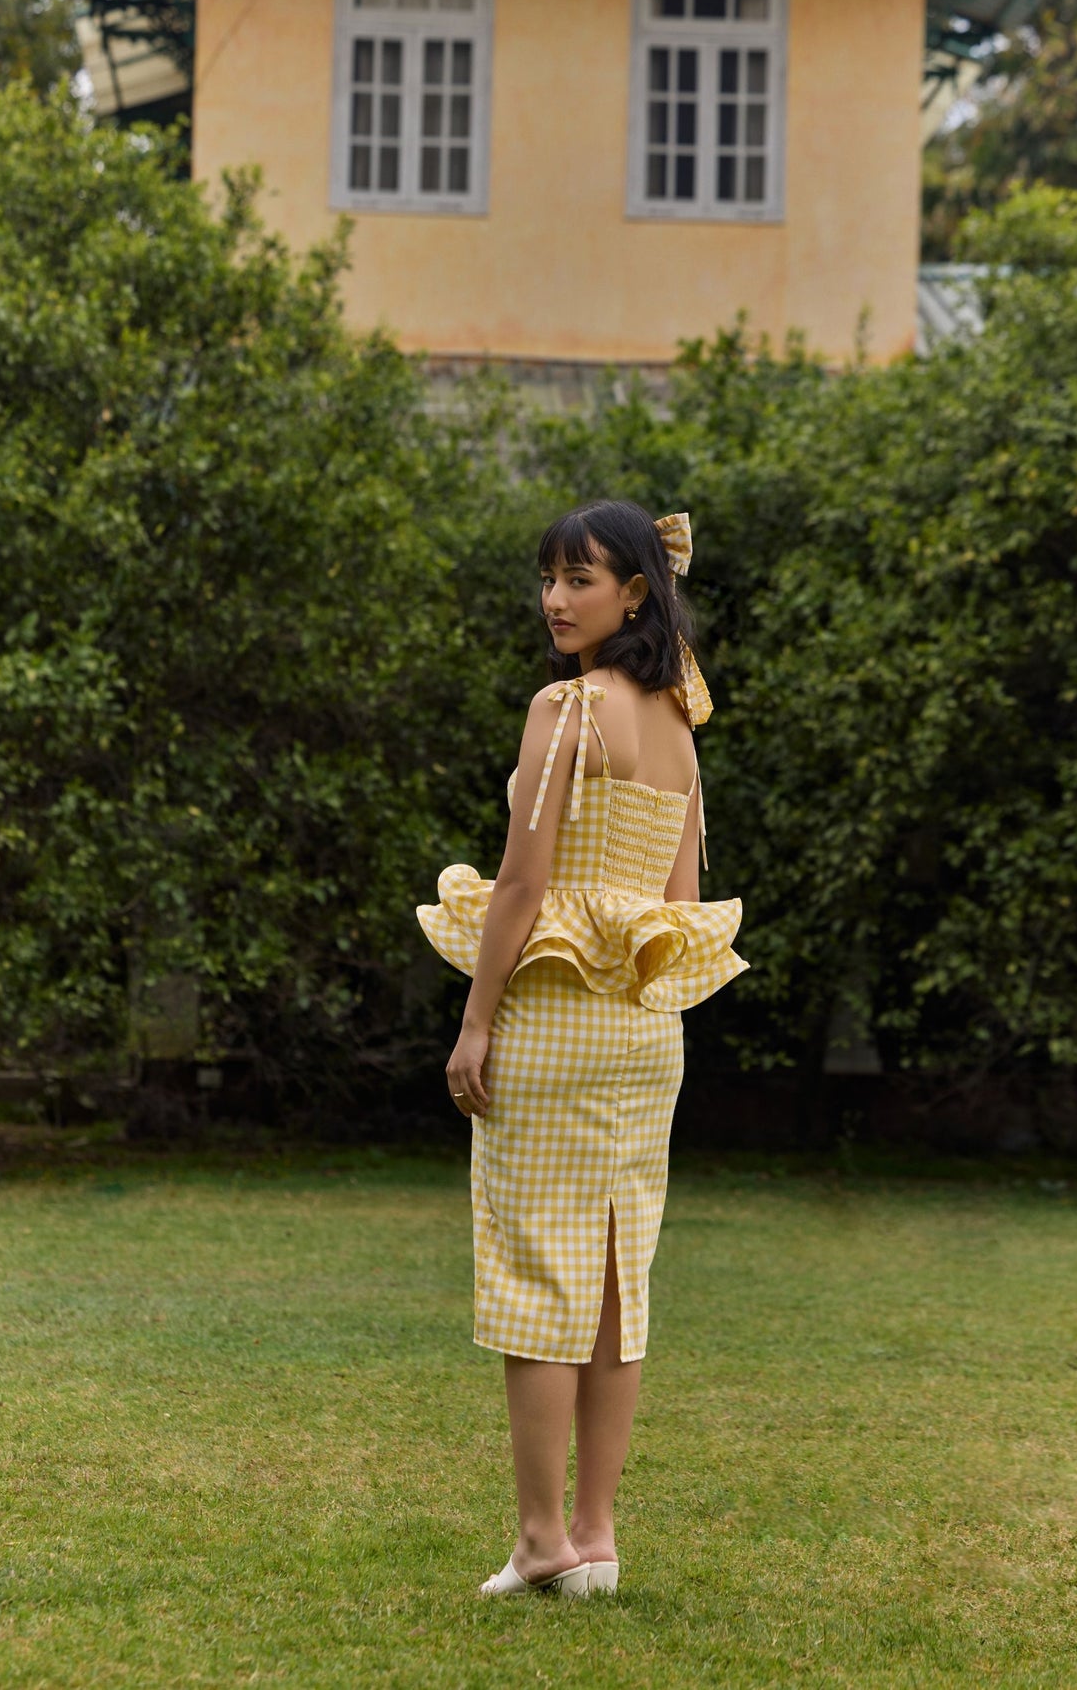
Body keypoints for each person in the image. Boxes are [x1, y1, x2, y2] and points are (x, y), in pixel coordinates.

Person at [417, 499, 746, 1598]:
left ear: (636, 591)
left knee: (536, 1276)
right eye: (550, 578)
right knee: (613, 1278)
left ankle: (541, 1536)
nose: (557, 600)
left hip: (556, 1019)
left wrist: (476, 1017)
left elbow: (522, 882)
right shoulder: (678, 725)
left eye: (582, 579)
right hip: (648, 1032)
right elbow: (682, 903)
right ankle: (597, 1537)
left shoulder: (564, 708)